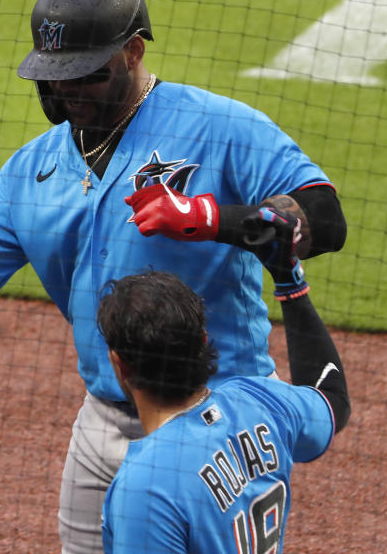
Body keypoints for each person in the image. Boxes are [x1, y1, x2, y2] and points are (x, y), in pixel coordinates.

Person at [0, 0, 347, 553]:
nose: (67, 91)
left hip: (220, 409)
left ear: (133, 52)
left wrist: (213, 217)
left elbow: (324, 219)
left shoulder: (222, 127)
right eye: (54, 75)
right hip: (106, 419)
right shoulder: (31, 169)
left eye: (85, 76)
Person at [99, 218, 350, 553]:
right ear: (203, 341)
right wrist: (290, 282)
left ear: (119, 363)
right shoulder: (260, 402)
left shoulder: (146, 486)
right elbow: (332, 398)